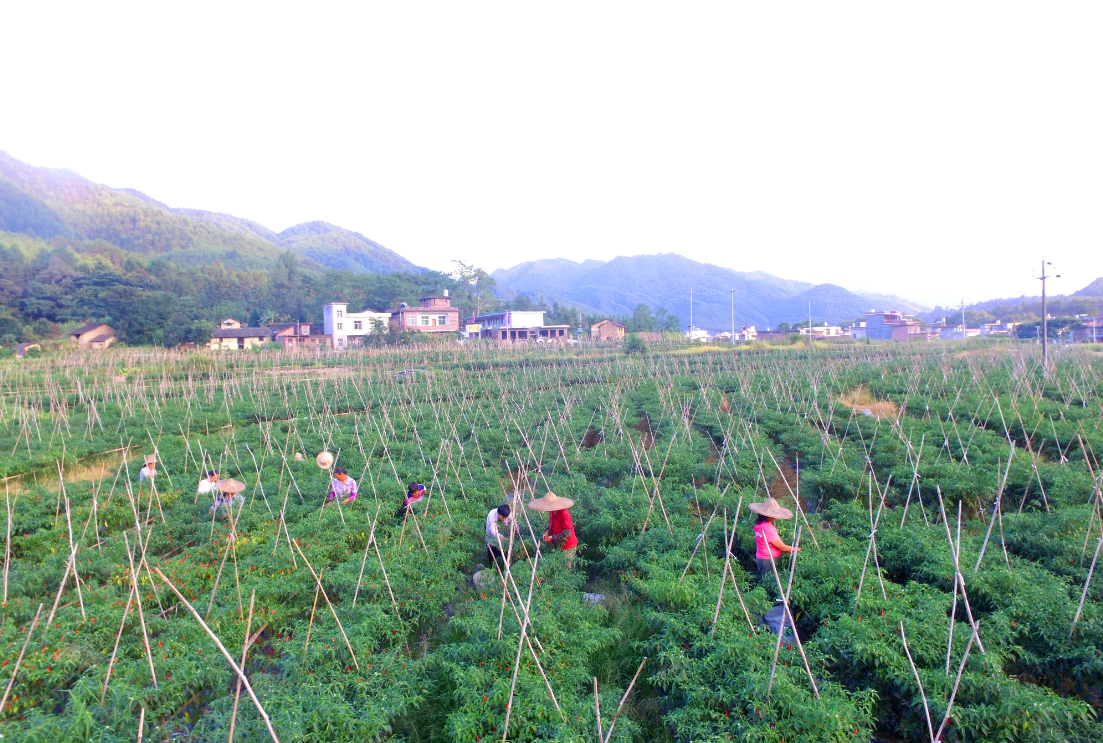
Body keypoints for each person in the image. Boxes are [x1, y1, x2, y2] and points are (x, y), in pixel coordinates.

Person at [749, 497, 798, 595]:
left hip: (761, 557)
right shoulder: (767, 528)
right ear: (767, 515)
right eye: (773, 514)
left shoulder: (759, 524)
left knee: (765, 580)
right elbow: (783, 547)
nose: (775, 517)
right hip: (767, 560)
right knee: (768, 584)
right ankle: (767, 601)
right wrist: (796, 549)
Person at [528, 491, 578, 568]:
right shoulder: (552, 511)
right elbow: (553, 524)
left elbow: (568, 532)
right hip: (560, 544)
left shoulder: (563, 513)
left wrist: (552, 537)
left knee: (567, 568)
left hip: (568, 545)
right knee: (561, 566)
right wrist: (547, 532)